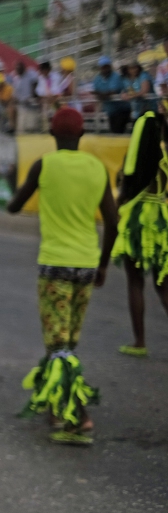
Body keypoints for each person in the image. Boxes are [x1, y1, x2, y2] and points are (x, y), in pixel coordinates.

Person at [6, 107, 118, 445]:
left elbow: (13, 206)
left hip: (55, 266)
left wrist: (14, 178)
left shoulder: (44, 165)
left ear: (52, 135)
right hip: (86, 265)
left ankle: (78, 417)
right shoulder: (97, 167)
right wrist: (103, 264)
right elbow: (113, 222)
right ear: (81, 134)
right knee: (66, 341)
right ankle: (55, 404)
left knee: (58, 344)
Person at [110, 111, 168, 357]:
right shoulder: (165, 158)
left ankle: (139, 342)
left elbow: (122, 192)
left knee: (135, 282)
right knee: (163, 285)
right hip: (161, 221)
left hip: (137, 220)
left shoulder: (135, 161)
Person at [93, 56, 131, 134]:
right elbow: (96, 93)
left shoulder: (115, 76)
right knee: (114, 131)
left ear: (110, 66)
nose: (105, 69)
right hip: (111, 111)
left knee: (117, 131)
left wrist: (101, 95)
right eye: (103, 67)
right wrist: (102, 95)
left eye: (106, 66)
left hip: (121, 110)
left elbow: (112, 92)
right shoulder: (97, 78)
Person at [12, 61, 40, 133]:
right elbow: (15, 94)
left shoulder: (30, 73)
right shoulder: (16, 79)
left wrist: (33, 94)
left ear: (24, 68)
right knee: (22, 127)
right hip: (22, 104)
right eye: (17, 69)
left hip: (31, 101)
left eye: (20, 68)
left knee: (31, 126)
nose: (18, 70)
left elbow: (35, 82)